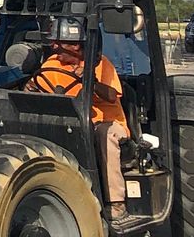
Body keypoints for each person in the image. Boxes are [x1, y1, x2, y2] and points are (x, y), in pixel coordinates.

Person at [24, 27, 131, 228]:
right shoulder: (51, 64)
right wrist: (30, 88)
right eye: (55, 41)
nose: (54, 46)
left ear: (76, 46)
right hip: (71, 121)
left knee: (104, 135)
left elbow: (111, 95)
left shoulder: (100, 64)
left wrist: (90, 81)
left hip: (105, 122)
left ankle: (116, 202)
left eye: (60, 42)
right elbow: (43, 89)